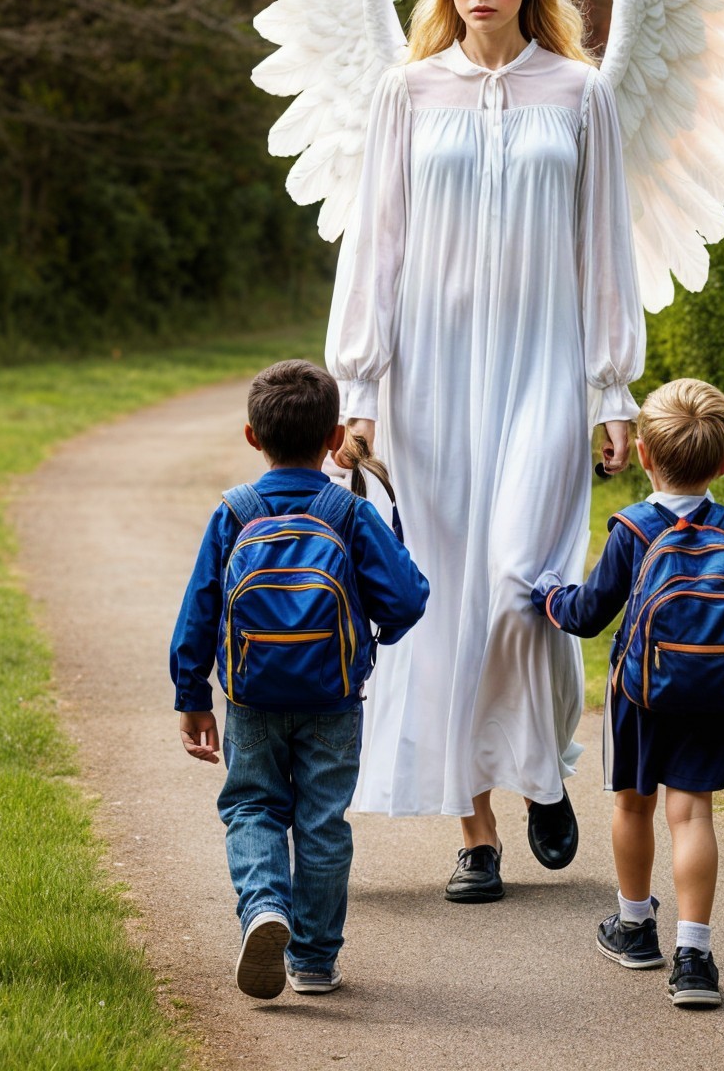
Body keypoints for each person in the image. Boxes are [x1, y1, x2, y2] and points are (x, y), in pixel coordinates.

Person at [329, 0, 645, 902]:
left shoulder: (580, 93)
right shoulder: (407, 93)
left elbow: (606, 250)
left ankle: (539, 767)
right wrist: (361, 386)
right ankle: (474, 833)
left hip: (544, 371)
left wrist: (613, 390)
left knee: (525, 589)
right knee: (443, 603)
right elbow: (373, 248)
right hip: (429, 380)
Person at [170, 359, 430, 999]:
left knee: (253, 806)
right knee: (321, 822)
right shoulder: (349, 513)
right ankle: (313, 961)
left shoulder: (234, 512)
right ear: (334, 438)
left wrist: (192, 697)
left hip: (252, 698)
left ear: (252, 437)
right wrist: (374, 636)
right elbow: (407, 599)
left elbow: (200, 609)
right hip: (332, 699)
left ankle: (264, 909)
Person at [531, 378, 724, 1009]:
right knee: (693, 814)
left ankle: (636, 928)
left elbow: (589, 613)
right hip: (714, 699)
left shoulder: (633, 528)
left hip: (639, 697)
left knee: (634, 807)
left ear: (643, 454)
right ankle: (694, 958)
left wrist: (548, 599)